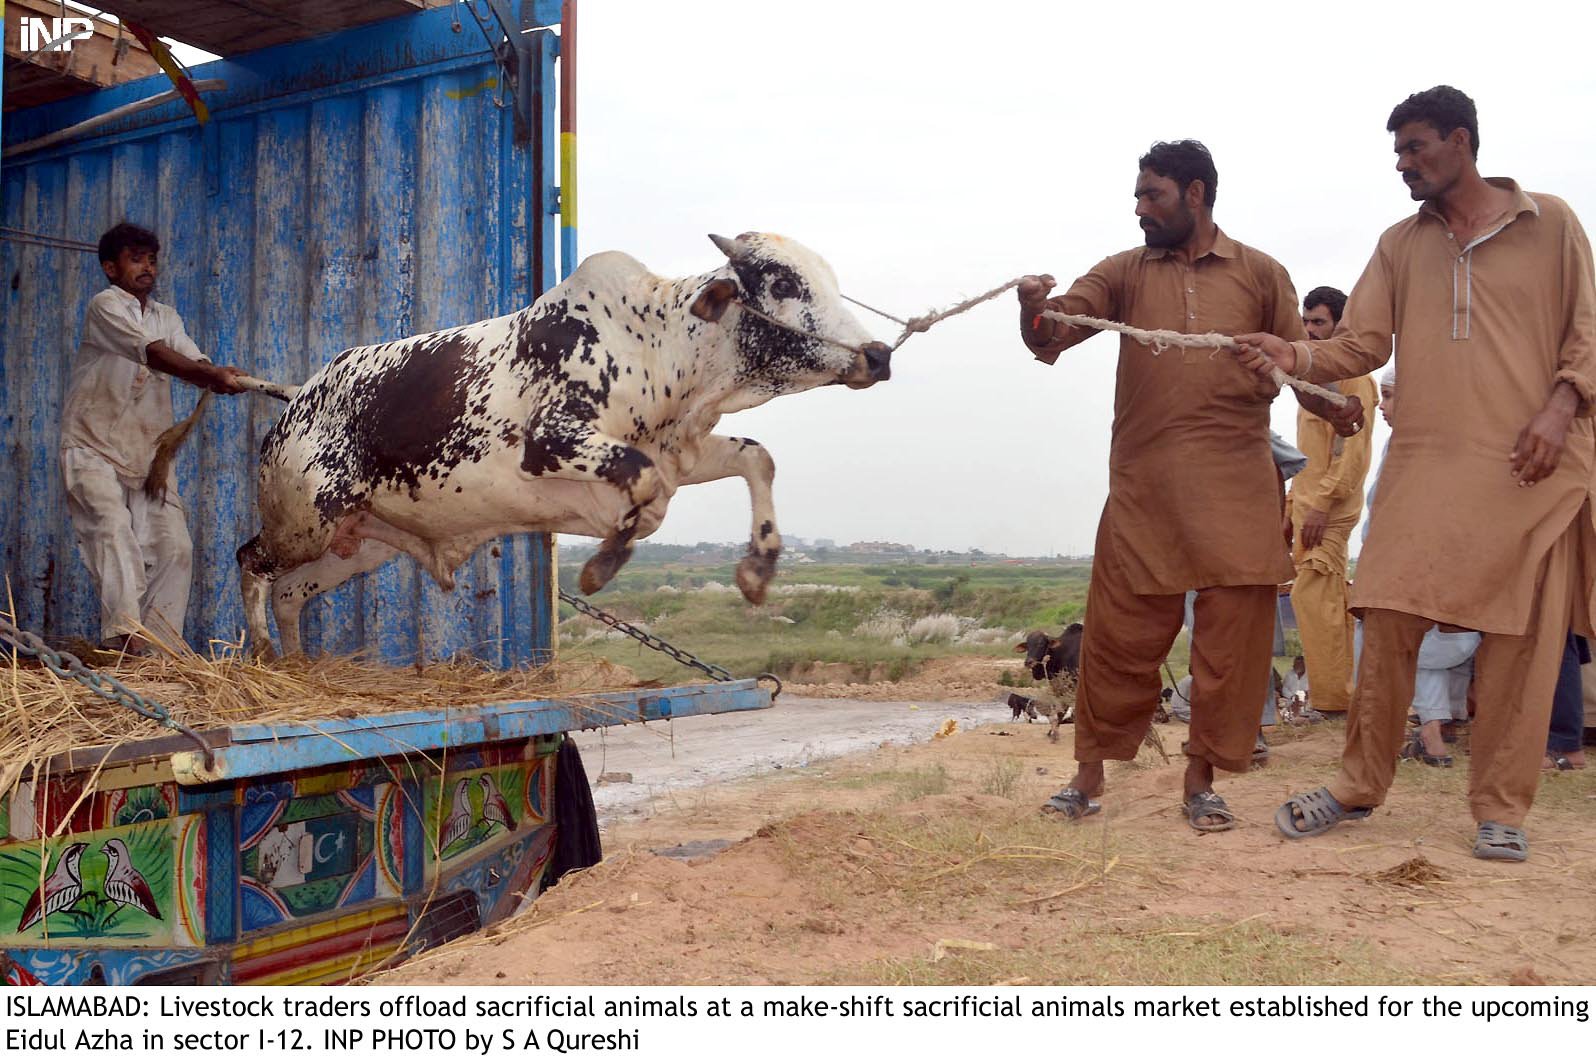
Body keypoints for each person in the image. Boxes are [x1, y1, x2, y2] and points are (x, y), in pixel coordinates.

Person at [1234, 86, 1596, 861]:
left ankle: (1500, 807)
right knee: (1389, 614)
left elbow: (1586, 329)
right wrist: (1293, 354)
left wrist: (1561, 409)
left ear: (1461, 142)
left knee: (1519, 642)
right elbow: (1361, 342)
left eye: (1414, 149)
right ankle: (1358, 785)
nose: (1402, 165)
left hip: (1529, 466)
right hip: (1427, 462)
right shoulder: (1401, 242)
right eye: (1397, 152)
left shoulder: (1552, 221)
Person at [1018, 139, 1333, 832]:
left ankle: (1201, 784)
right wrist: (1032, 307)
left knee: (1231, 649)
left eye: (1151, 195)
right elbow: (1052, 334)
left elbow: (1305, 374)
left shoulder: (1262, 274)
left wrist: (1303, 380)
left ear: (1195, 194)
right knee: (1115, 641)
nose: (1138, 209)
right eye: (1137, 195)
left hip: (1237, 490)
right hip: (1145, 491)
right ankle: (1086, 780)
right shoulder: (1126, 271)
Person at [60, 223, 246, 655]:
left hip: (146, 456)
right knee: (113, 532)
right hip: (91, 448)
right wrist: (207, 374)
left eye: (151, 260)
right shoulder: (104, 306)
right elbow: (156, 354)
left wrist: (219, 374)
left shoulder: (166, 316)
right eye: (135, 259)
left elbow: (190, 356)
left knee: (175, 547)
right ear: (110, 267)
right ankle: (126, 640)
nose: (147, 268)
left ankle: (160, 659)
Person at [1288, 287, 1380, 716]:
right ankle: (1340, 694)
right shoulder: (1310, 376)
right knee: (1324, 602)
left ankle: (1334, 700)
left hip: (1330, 511)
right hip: (1307, 508)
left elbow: (1353, 456)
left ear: (1340, 325)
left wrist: (1322, 504)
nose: (1309, 331)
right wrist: (1292, 505)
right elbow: (1308, 452)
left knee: (1314, 598)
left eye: (1318, 323)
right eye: (1306, 323)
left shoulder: (1354, 375)